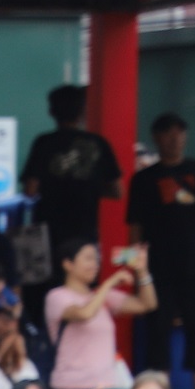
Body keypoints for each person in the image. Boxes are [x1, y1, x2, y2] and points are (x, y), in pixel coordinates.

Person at [126, 112, 195, 389]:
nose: (174, 139)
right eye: (168, 133)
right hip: (158, 267)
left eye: (179, 133)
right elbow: (134, 227)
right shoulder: (143, 179)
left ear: (186, 137)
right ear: (156, 137)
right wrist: (134, 267)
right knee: (158, 331)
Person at [44, 240, 154, 389]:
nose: (94, 265)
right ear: (67, 264)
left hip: (105, 387)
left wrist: (142, 271)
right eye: (87, 259)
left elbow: (147, 304)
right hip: (72, 388)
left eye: (96, 259)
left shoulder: (102, 297)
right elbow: (84, 313)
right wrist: (109, 283)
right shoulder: (57, 296)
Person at [20, 83, 122, 262]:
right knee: (83, 285)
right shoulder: (99, 143)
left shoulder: (43, 143)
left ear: (51, 111)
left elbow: (30, 190)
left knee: (48, 287)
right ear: (83, 110)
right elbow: (117, 191)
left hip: (48, 233)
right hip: (85, 231)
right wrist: (91, 188)